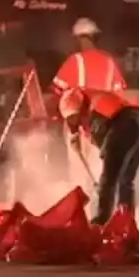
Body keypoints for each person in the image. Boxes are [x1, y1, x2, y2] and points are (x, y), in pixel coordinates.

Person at [59, 87, 139, 226]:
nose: (76, 123)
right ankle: (126, 223)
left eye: (75, 119)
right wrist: (75, 137)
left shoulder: (94, 113)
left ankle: (100, 222)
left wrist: (103, 186)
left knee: (109, 178)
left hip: (127, 124)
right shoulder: (91, 99)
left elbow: (107, 148)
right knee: (125, 180)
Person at [52, 18, 126, 186]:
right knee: (100, 170)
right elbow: (119, 96)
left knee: (78, 173)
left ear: (79, 39)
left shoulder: (74, 61)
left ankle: (81, 207)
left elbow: (58, 91)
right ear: (95, 37)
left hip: (79, 124)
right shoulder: (110, 62)